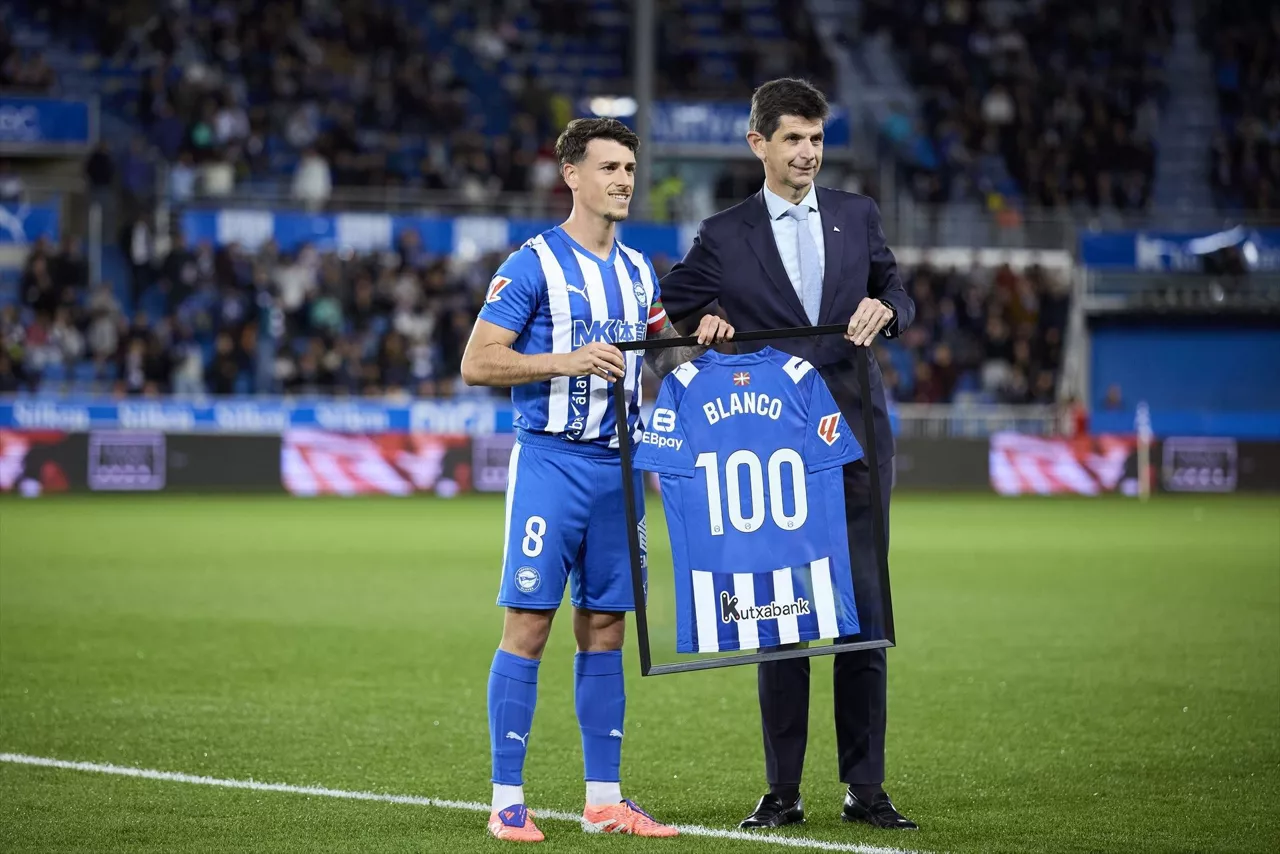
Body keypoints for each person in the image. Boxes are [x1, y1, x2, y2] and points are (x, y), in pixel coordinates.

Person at [459, 117, 733, 844]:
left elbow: (658, 350)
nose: (623, 180)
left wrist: (700, 336)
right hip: (550, 463)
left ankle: (604, 800)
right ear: (571, 176)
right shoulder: (532, 264)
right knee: (529, 624)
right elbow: (479, 361)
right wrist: (565, 360)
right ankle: (506, 799)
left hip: (619, 468)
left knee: (606, 626)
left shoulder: (640, 270)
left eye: (630, 169)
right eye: (609, 167)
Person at [658, 78, 918, 831]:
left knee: (866, 619)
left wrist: (889, 308)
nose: (808, 153)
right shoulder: (723, 234)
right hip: (773, 454)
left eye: (816, 139)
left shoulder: (854, 215)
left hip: (859, 441)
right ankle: (783, 790)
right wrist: (705, 321)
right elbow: (677, 301)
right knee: (781, 621)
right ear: (758, 144)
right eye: (794, 139)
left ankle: (865, 789)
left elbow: (897, 287)